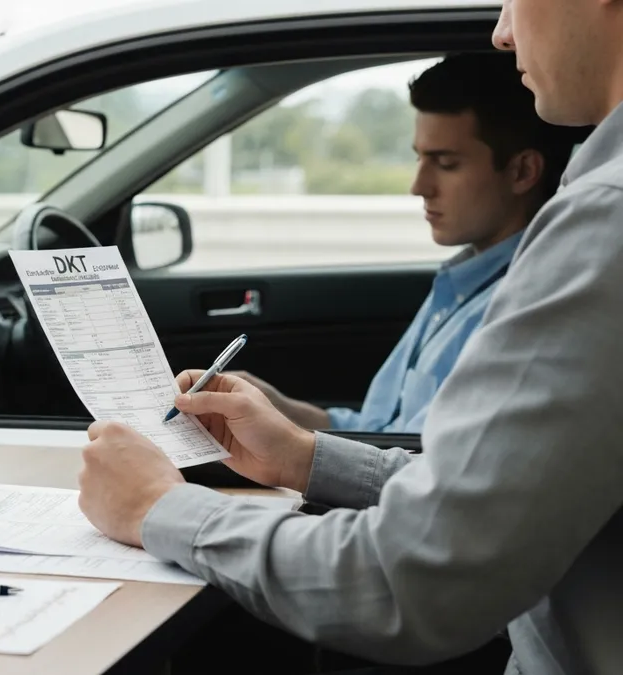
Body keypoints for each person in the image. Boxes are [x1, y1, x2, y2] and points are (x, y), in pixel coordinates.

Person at [76, 1, 623, 673]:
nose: (502, 30)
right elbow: (491, 491)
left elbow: (413, 578)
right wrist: (304, 456)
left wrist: (158, 507)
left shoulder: (604, 221)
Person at [234, 52, 579, 434]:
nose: (419, 187)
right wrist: (272, 407)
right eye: (419, 159)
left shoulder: (519, 307)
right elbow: (378, 431)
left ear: (522, 171)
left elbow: (420, 461)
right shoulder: (460, 286)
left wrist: (288, 444)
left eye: (446, 164)